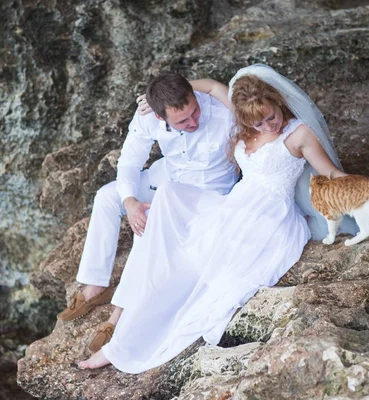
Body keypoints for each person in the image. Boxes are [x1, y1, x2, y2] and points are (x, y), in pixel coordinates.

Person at [76, 64, 369, 371]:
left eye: (271, 117)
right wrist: (155, 95)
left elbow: (332, 174)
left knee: (210, 279)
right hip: (232, 206)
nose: (267, 126)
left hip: (269, 216)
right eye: (259, 122)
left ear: (277, 103)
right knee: (170, 219)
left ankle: (121, 346)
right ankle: (118, 325)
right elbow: (214, 87)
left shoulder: (298, 135)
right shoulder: (245, 125)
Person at [56, 72, 239, 327]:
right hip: (169, 174)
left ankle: (123, 310)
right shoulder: (147, 115)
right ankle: (95, 286)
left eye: (194, 112)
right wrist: (130, 202)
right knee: (108, 196)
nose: (193, 122)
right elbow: (129, 162)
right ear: (158, 115)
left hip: (206, 190)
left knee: (148, 220)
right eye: (182, 121)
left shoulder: (223, 111)